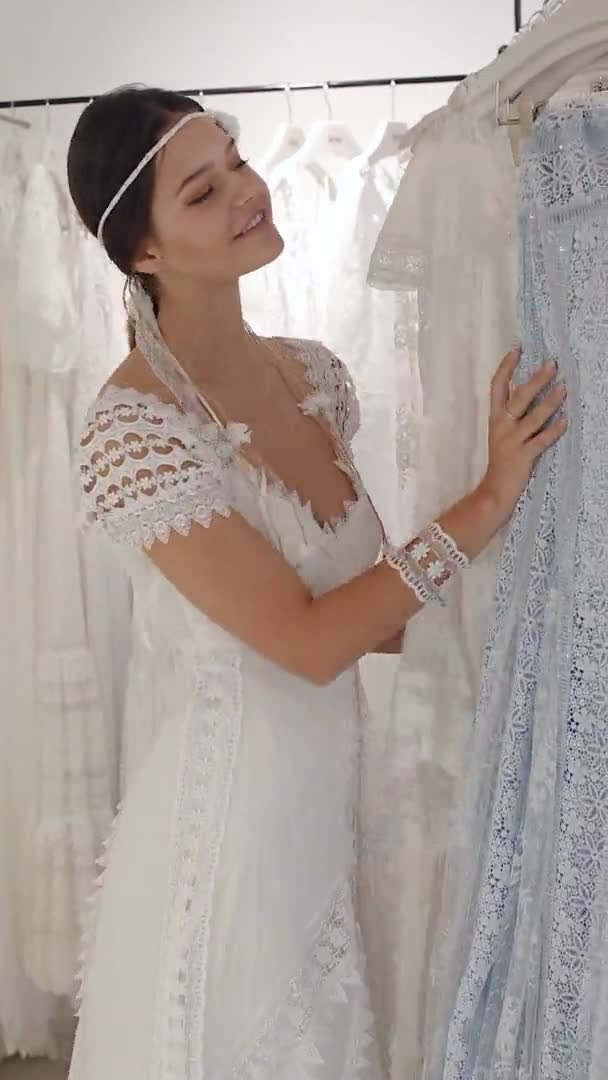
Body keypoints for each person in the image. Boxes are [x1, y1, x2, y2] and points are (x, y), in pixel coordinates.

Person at [65, 85, 567, 1080]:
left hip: (338, 808)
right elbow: (306, 641)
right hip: (229, 838)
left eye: (236, 164)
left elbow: (377, 611)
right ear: (145, 253)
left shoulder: (313, 376)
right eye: (202, 193)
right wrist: (486, 498)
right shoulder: (129, 431)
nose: (246, 195)